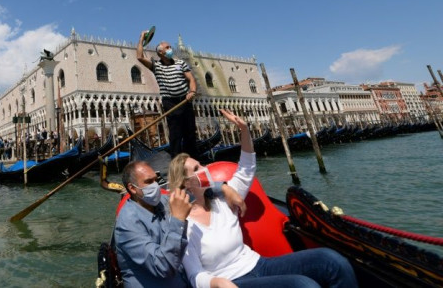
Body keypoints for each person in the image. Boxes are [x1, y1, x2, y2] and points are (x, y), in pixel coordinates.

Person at [168, 109, 357, 288]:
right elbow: (195, 275)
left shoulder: (223, 199)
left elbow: (246, 168)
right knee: (305, 286)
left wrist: (244, 130)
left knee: (332, 261)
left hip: (259, 264)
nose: (204, 169)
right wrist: (216, 283)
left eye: (201, 164)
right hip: (232, 281)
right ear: (186, 184)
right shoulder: (184, 224)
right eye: (196, 169)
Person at [115, 160, 245, 287]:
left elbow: (193, 192)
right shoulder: (127, 224)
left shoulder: (162, 202)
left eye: (156, 180)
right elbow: (163, 267)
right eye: (149, 182)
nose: (155, 186)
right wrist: (178, 219)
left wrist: (223, 187)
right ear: (132, 188)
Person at [136, 32, 199, 158]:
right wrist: (141, 39)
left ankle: (192, 160)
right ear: (160, 53)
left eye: (170, 47)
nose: (170, 49)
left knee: (190, 132)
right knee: (175, 134)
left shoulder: (180, 63)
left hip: (185, 101)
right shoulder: (156, 66)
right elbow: (140, 57)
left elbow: (191, 79)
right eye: (167, 48)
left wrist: (192, 91)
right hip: (170, 102)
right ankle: (176, 162)